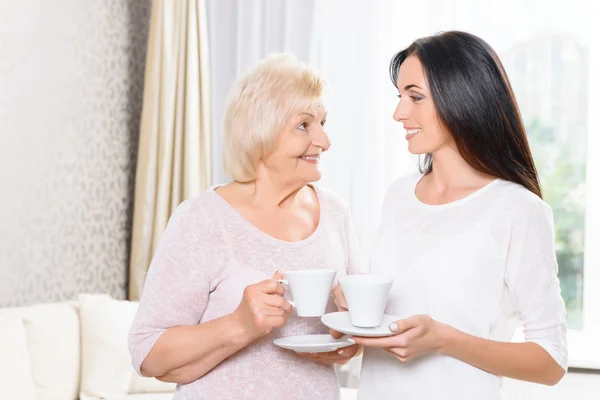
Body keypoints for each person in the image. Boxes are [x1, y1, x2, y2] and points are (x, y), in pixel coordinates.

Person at [128, 53, 361, 400]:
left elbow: (353, 329)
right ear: (261, 130)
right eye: (304, 125)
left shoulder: (335, 214)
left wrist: (348, 337)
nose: (324, 142)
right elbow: (149, 354)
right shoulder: (203, 219)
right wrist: (240, 325)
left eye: (323, 124)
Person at [351, 31, 568, 399]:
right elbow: (398, 314)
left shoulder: (518, 210)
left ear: (462, 96)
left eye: (415, 97)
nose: (399, 112)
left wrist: (443, 340)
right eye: (400, 97)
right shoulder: (399, 195)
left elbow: (551, 361)